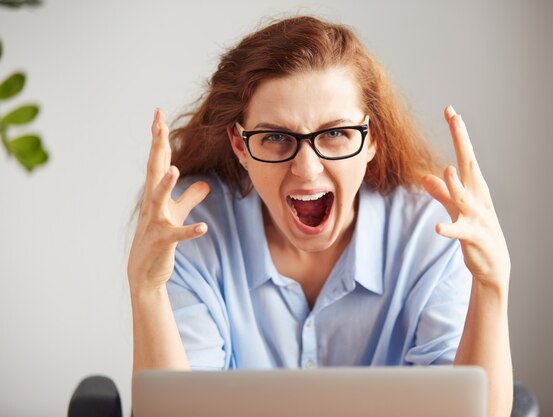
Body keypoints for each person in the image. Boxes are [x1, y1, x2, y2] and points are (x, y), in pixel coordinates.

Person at [127, 15, 513, 417]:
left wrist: (492, 286)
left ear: (372, 138)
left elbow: (469, 411)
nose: (307, 169)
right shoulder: (191, 230)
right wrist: (148, 291)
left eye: (335, 133)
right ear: (240, 146)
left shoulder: (432, 231)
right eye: (275, 137)